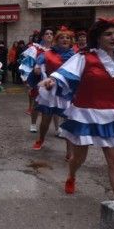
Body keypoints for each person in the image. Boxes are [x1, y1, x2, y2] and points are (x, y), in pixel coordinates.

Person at [39, 18, 114, 199]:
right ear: (98, 37)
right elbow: (65, 73)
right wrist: (51, 80)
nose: (113, 37)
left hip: (111, 114)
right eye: (108, 34)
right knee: (79, 158)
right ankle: (72, 176)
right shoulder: (84, 57)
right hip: (84, 113)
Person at [27, 26, 75, 159]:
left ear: (71, 41)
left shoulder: (75, 56)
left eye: (67, 38)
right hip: (50, 90)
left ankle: (69, 151)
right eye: (61, 37)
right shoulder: (47, 53)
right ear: (56, 40)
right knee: (45, 120)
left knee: (68, 121)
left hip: (66, 92)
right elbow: (38, 65)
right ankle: (40, 139)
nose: (64, 39)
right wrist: (37, 68)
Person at [19, 27, 54, 132]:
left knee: (54, 103)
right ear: (42, 36)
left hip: (52, 79)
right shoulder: (35, 49)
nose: (49, 35)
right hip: (38, 80)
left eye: (51, 34)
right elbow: (26, 64)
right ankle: (33, 124)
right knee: (36, 103)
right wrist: (27, 80)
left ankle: (57, 128)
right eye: (47, 33)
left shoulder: (56, 49)